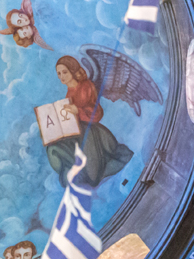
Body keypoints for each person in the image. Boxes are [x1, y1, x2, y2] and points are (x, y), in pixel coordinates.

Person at [46, 56, 135, 187]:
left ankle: (91, 171)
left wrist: (77, 110)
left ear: (72, 70)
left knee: (93, 173)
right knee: (53, 148)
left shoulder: (86, 86)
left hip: (92, 132)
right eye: (58, 73)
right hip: (77, 133)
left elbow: (97, 113)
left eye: (64, 72)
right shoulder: (69, 93)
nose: (61, 76)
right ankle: (75, 171)